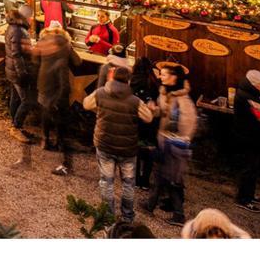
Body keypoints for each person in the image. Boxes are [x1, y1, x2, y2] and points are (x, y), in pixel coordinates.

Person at [83, 66, 154, 223]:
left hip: (104, 144)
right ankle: (127, 215)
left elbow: (86, 104)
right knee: (128, 184)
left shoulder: (100, 93)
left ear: (112, 77)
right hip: (127, 149)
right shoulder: (135, 100)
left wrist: (100, 109)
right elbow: (148, 118)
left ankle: (108, 215)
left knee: (106, 182)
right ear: (128, 80)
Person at [142, 63, 196, 225]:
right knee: (160, 176)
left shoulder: (183, 99)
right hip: (165, 141)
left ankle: (179, 215)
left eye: (164, 74)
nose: (160, 76)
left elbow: (188, 123)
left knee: (172, 179)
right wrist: (153, 109)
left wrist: (178, 140)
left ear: (174, 77)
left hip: (174, 145)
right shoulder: (166, 93)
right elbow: (165, 113)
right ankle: (150, 205)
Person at [36, 20, 79, 176]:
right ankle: (60, 142)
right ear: (61, 32)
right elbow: (78, 61)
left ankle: (45, 139)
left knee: (45, 112)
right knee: (61, 113)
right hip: (61, 83)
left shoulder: (42, 42)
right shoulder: (66, 44)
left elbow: (34, 60)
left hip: (44, 81)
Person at [232, 69, 260, 213]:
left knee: (253, 168)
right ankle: (243, 199)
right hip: (249, 138)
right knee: (249, 169)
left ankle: (249, 195)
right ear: (254, 85)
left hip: (252, 137)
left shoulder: (252, 95)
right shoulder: (248, 98)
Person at [4, 6, 36, 141]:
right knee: (27, 101)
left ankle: (15, 125)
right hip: (17, 71)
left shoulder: (13, 27)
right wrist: (22, 73)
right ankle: (16, 127)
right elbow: (17, 54)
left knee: (16, 98)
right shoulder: (19, 30)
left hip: (11, 69)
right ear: (27, 17)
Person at [131, 57, 159, 190]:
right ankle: (145, 181)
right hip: (150, 120)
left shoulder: (133, 80)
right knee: (148, 150)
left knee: (135, 150)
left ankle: (135, 179)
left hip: (135, 119)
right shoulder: (154, 81)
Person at [180, 208, 250, 239]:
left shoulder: (234, 232)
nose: (215, 237)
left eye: (218, 234)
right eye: (211, 233)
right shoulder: (189, 231)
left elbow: (245, 236)